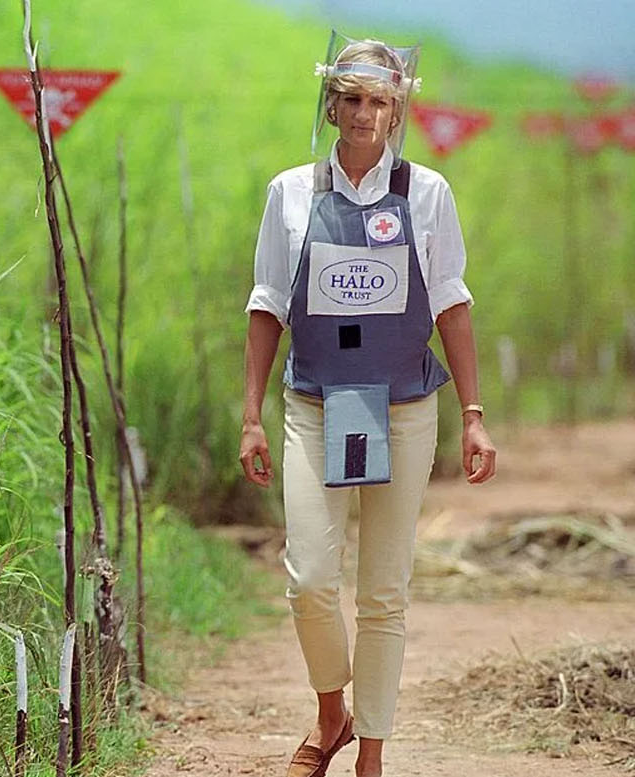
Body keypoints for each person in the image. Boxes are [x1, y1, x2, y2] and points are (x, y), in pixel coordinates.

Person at [237, 34, 496, 777]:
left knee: (385, 589)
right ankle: (331, 712)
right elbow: (265, 305)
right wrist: (252, 414)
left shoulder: (428, 194)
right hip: (315, 406)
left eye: (378, 99)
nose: (362, 113)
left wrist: (473, 413)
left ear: (397, 109)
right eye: (349, 97)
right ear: (330, 105)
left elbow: (452, 305)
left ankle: (370, 753)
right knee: (311, 576)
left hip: (403, 407)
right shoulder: (290, 193)